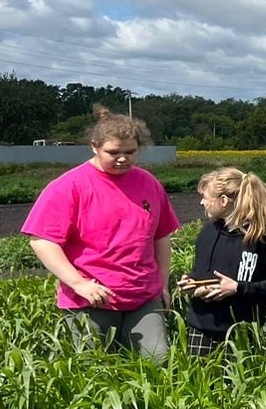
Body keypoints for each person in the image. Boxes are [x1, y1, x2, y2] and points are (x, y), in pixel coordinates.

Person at [23, 106, 179, 358]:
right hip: (91, 298)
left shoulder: (148, 183)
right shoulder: (69, 186)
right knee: (96, 371)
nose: (122, 158)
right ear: (94, 146)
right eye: (113, 152)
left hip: (143, 297)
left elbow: (161, 236)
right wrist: (78, 283)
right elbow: (42, 240)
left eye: (130, 152)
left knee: (157, 362)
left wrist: (162, 283)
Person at [177, 167, 266, 354]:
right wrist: (191, 281)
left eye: (206, 197)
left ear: (223, 201)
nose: (201, 202)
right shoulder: (207, 232)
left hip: (243, 332)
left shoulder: (262, 239)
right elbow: (204, 272)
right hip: (202, 328)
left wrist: (237, 288)